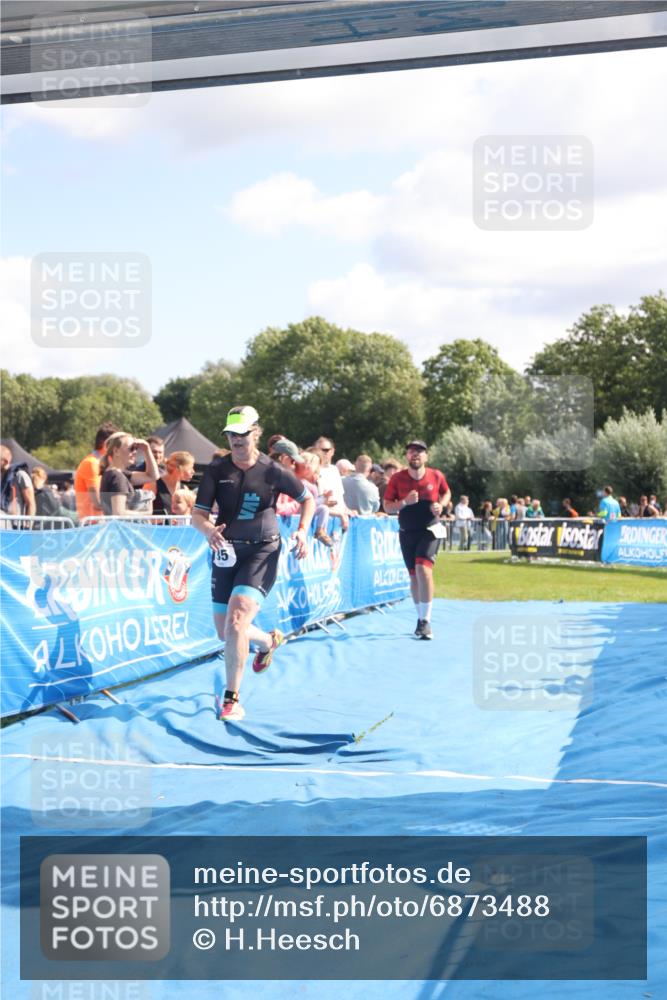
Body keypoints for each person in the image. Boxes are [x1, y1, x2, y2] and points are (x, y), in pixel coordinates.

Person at [192, 405, 315, 722]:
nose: (236, 439)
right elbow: (198, 514)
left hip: (262, 550)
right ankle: (268, 641)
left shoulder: (272, 470)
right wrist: (208, 530)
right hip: (226, 551)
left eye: (242, 433)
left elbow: (308, 499)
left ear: (256, 433)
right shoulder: (217, 470)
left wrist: (303, 531)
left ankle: (231, 700)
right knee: (226, 632)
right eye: (231, 434)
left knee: (236, 622)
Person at [383, 439, 450, 640]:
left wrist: (441, 505)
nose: (415, 454)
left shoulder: (436, 475)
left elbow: (446, 492)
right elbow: (387, 506)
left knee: (423, 569)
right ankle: (421, 619)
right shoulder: (397, 479)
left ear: (426, 456)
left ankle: (426, 620)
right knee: (413, 576)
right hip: (407, 531)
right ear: (407, 456)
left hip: (430, 530)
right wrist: (404, 502)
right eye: (412, 451)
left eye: (420, 451)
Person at [99, 433, 159, 515]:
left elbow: (152, 476)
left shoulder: (113, 473)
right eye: (131, 448)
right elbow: (119, 513)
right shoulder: (117, 477)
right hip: (120, 523)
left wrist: (147, 449)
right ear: (116, 451)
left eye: (136, 448)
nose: (135, 452)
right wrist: (145, 514)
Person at [74, 422, 119, 520]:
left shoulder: (102, 463)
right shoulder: (92, 463)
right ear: (105, 443)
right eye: (117, 442)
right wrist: (121, 507)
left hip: (100, 522)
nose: (119, 446)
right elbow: (98, 502)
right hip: (92, 524)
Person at [151, 451, 195, 516]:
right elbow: (143, 510)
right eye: (190, 468)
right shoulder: (153, 485)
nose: (193, 471)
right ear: (179, 468)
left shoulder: (185, 488)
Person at [0, 445, 35, 517]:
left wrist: (28, 523)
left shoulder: (20, 475)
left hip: (13, 522)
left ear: (5, 462)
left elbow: (30, 503)